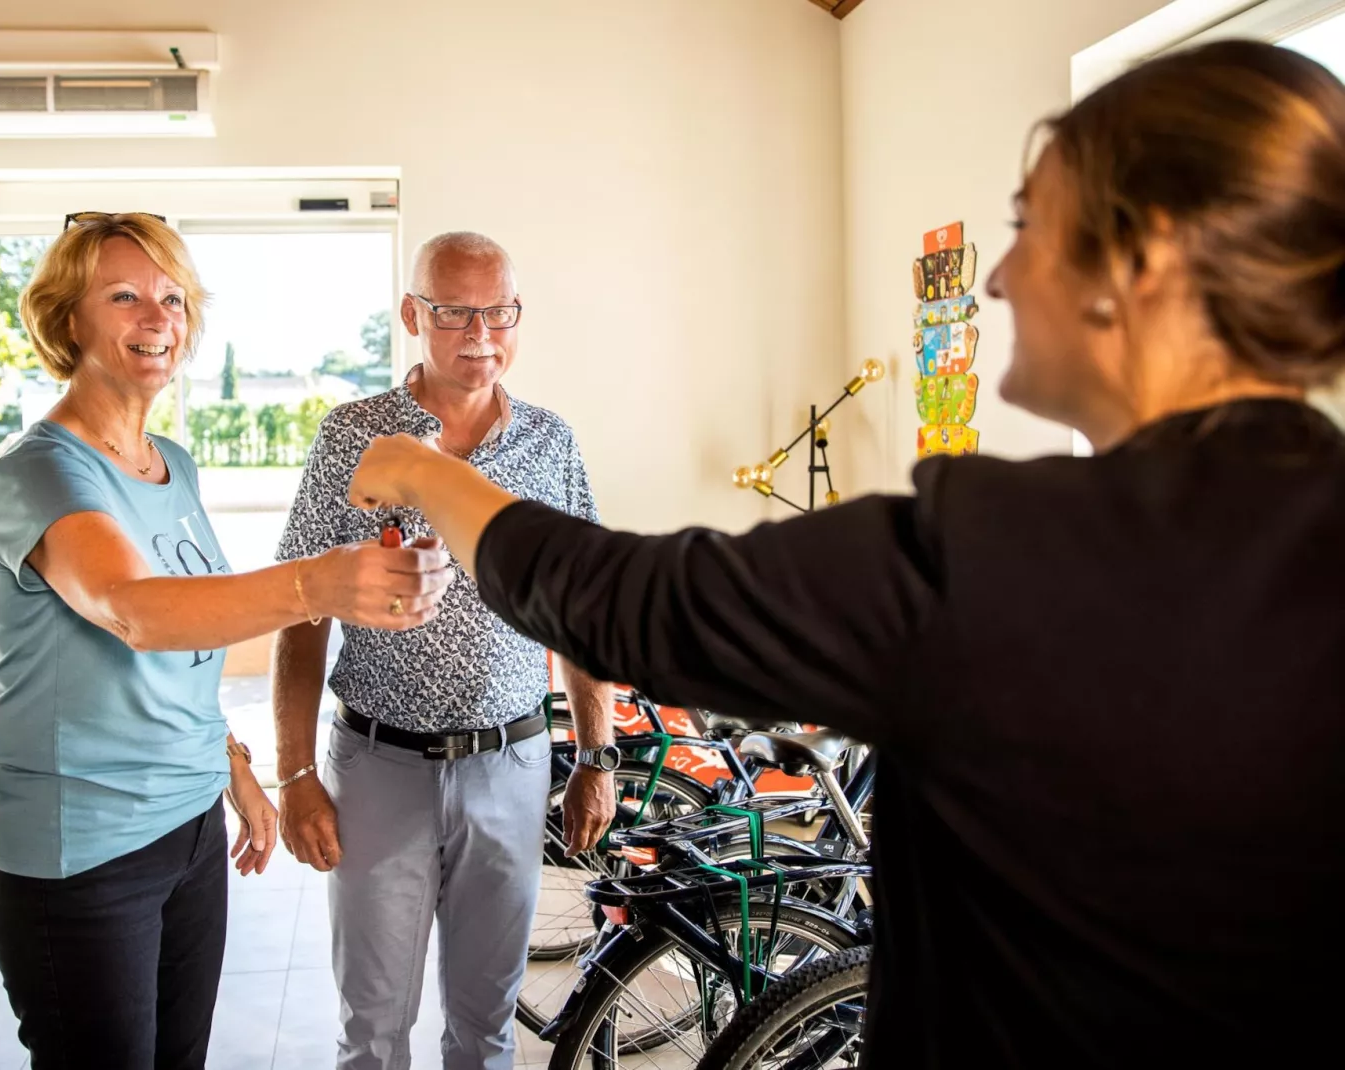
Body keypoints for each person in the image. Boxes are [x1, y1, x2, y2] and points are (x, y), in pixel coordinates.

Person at [347, 41, 1345, 1068]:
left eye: (1027, 228)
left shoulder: (996, 551)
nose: (995, 278)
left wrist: (427, 476)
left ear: (1141, 265)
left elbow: (629, 603)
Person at [0, 212, 453, 1070]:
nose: (157, 319)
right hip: (80, 852)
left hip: (187, 829)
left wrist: (234, 768)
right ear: (66, 318)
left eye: (173, 299)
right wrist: (319, 582)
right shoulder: (40, 469)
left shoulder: (172, 465)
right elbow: (137, 611)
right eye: (124, 297)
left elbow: (184, 654)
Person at [272, 231, 618, 1069]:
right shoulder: (355, 437)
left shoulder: (549, 444)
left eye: (497, 312)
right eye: (455, 313)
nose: (480, 335)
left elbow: (584, 610)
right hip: (378, 766)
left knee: (486, 1027)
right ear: (411, 315)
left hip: (511, 762)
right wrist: (294, 776)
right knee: (375, 1028)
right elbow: (300, 613)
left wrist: (596, 757)